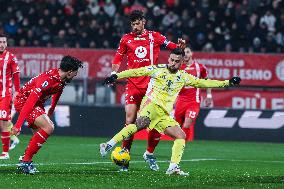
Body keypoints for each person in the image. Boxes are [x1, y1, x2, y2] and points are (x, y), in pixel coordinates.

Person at [100, 48, 241, 175]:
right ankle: (108, 145)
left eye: (177, 61)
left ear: (181, 63)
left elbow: (204, 83)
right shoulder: (158, 69)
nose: (173, 63)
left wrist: (227, 82)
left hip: (164, 114)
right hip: (151, 105)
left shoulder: (184, 76)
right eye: (172, 60)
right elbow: (137, 71)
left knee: (181, 136)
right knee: (140, 124)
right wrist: (116, 76)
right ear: (169, 59)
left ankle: (173, 167)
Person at [112, 10, 185, 171]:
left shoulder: (155, 37)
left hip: (152, 86)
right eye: (132, 24)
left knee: (155, 123)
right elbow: (118, 58)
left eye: (137, 23)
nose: (135, 26)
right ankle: (125, 158)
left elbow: (173, 48)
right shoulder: (126, 39)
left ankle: (149, 153)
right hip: (132, 85)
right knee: (130, 120)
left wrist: (180, 47)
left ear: (143, 22)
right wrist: (113, 74)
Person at [140, 47, 213, 169]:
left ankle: (180, 148)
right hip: (178, 102)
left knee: (187, 124)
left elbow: (206, 81)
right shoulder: (178, 67)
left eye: (189, 52)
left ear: (192, 54)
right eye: (185, 52)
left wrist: (209, 95)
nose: (186, 55)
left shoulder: (200, 67)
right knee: (160, 128)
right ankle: (149, 151)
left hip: (194, 102)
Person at [11, 55, 83, 174]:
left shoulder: (60, 79)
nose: (75, 75)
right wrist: (18, 124)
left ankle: (24, 159)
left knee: (38, 135)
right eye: (75, 72)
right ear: (70, 72)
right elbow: (30, 102)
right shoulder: (47, 80)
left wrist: (51, 109)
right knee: (48, 127)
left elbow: (58, 91)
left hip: (37, 104)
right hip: (24, 101)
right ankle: (25, 161)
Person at [0, 34, 21, 160]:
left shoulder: (11, 57)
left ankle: (5, 153)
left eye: (4, 42)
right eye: (0, 42)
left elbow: (16, 75)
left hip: (5, 95)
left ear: (6, 43)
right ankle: (13, 138)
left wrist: (17, 92)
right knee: (2, 123)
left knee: (2, 122)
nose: (2, 44)